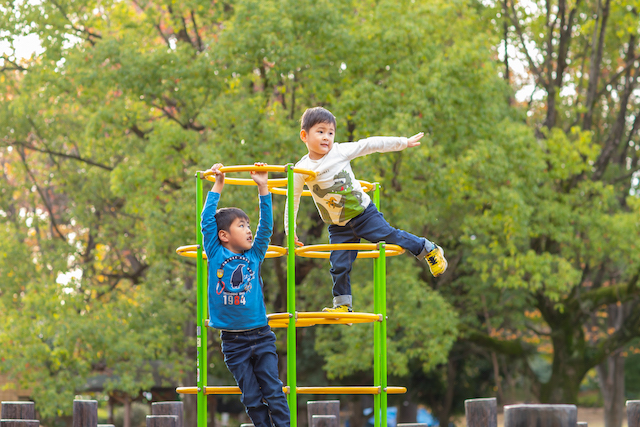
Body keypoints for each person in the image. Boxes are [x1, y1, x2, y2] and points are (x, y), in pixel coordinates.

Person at [285, 107, 448, 313]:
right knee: (338, 264)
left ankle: (428, 248)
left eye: (331, 132)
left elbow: (370, 144)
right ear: (304, 135)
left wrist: (402, 142)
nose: (327, 137)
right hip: (338, 225)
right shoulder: (301, 169)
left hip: (364, 214)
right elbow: (293, 199)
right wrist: (291, 231)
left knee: (390, 236)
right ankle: (343, 306)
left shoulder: (339, 151)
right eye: (320, 131)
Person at [202, 162, 290, 427]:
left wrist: (263, 187)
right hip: (233, 341)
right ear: (224, 235)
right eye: (241, 225)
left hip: (261, 335)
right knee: (252, 397)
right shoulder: (216, 253)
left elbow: (266, 228)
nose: (248, 229)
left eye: (247, 224)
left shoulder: (254, 255)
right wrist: (218, 184)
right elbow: (206, 220)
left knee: (274, 392)